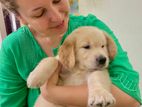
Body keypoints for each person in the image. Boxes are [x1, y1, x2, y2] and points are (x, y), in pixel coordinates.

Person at [0, 0, 141, 107]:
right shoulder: (13, 48)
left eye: (57, 0)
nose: (57, 17)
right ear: (20, 17)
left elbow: (130, 93)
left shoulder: (91, 28)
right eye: (40, 13)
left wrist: (52, 94)